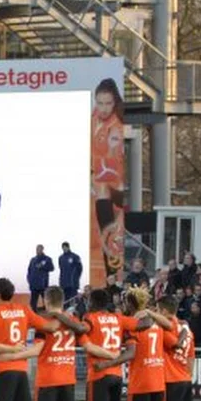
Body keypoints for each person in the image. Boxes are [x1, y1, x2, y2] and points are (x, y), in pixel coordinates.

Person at [91, 79, 126, 282]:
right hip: (100, 183)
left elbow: (112, 155)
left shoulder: (116, 127)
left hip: (112, 182)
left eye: (108, 104)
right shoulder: (95, 116)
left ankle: (113, 275)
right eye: (100, 102)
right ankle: (110, 274)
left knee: (110, 229)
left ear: (115, 103)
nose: (103, 108)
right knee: (103, 225)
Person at [27, 244, 54, 311]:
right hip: (34, 284)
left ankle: (48, 314)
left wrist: (42, 266)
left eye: (39, 249)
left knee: (46, 301)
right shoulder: (33, 260)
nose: (38, 250)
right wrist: (29, 280)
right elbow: (29, 270)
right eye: (37, 249)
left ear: (42, 249)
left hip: (43, 284)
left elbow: (52, 268)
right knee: (33, 302)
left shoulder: (47, 259)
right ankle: (33, 314)